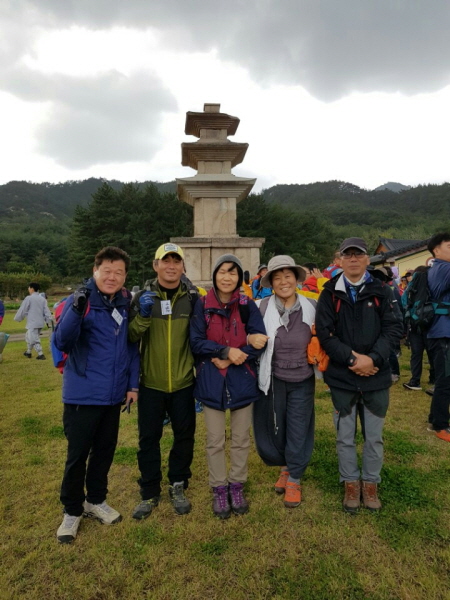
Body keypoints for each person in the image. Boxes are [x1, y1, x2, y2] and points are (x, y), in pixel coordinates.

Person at [54, 246, 139, 544]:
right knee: (77, 456)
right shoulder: (79, 301)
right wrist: (76, 310)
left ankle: (96, 500)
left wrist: (132, 386)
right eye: (107, 271)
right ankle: (72, 510)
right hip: (82, 396)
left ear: (125, 276)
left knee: (105, 452)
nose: (112, 277)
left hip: (113, 396)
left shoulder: (124, 304)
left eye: (118, 272)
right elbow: (62, 341)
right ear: (95, 271)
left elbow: (130, 348)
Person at [316, 238, 403, 513]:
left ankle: (371, 483)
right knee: (345, 435)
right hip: (343, 376)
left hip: (376, 375)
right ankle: (350, 482)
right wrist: (353, 359)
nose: (353, 259)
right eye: (348, 254)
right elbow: (325, 334)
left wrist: (373, 359)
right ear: (339, 260)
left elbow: (393, 329)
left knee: (374, 436)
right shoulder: (329, 293)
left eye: (359, 254)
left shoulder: (382, 291)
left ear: (367, 259)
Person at [190, 255, 267, 518]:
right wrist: (224, 351)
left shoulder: (247, 305)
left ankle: (236, 485)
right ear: (214, 276)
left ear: (239, 277)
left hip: (241, 379)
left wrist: (235, 356)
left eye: (232, 273)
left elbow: (260, 341)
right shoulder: (202, 305)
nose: (227, 277)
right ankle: (219, 488)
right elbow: (196, 342)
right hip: (211, 380)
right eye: (222, 272)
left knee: (241, 438)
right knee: (214, 440)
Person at [128, 243, 198, 519]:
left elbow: (199, 338)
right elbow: (131, 336)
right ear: (155, 265)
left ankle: (178, 484)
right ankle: (149, 491)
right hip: (151, 383)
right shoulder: (141, 298)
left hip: (183, 383)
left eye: (176, 261)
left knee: (184, 438)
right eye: (165, 260)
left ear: (183, 266)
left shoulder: (192, 298)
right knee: (148, 439)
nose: (171, 266)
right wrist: (144, 316)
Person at [253, 255, 316, 509]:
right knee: (275, 426)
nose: (283, 282)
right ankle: (285, 466)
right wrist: (250, 339)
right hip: (273, 378)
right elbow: (249, 334)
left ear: (296, 279)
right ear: (271, 282)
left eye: (287, 276)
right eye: (277, 278)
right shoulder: (261, 307)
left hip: (303, 378)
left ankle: (295, 478)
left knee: (299, 426)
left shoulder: (312, 306)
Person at [426, 233, 450, 442]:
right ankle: (441, 425)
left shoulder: (435, 268)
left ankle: (435, 417)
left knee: (445, 378)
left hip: (439, 331)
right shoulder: (445, 268)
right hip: (443, 332)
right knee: (446, 380)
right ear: (437, 250)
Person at [402, 265, 435, 391]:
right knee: (432, 353)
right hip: (430, 323)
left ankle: (415, 381)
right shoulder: (432, 284)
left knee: (416, 354)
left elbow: (404, 300)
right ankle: (434, 378)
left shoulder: (412, 286)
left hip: (415, 325)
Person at [14, 282, 53, 360]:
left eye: (29, 288)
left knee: (33, 338)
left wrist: (18, 318)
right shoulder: (42, 299)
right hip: (40, 322)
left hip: (33, 322)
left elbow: (23, 309)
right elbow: (46, 311)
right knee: (29, 337)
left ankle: (40, 354)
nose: (28, 289)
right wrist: (48, 320)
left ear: (31, 288)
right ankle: (28, 352)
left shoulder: (29, 298)